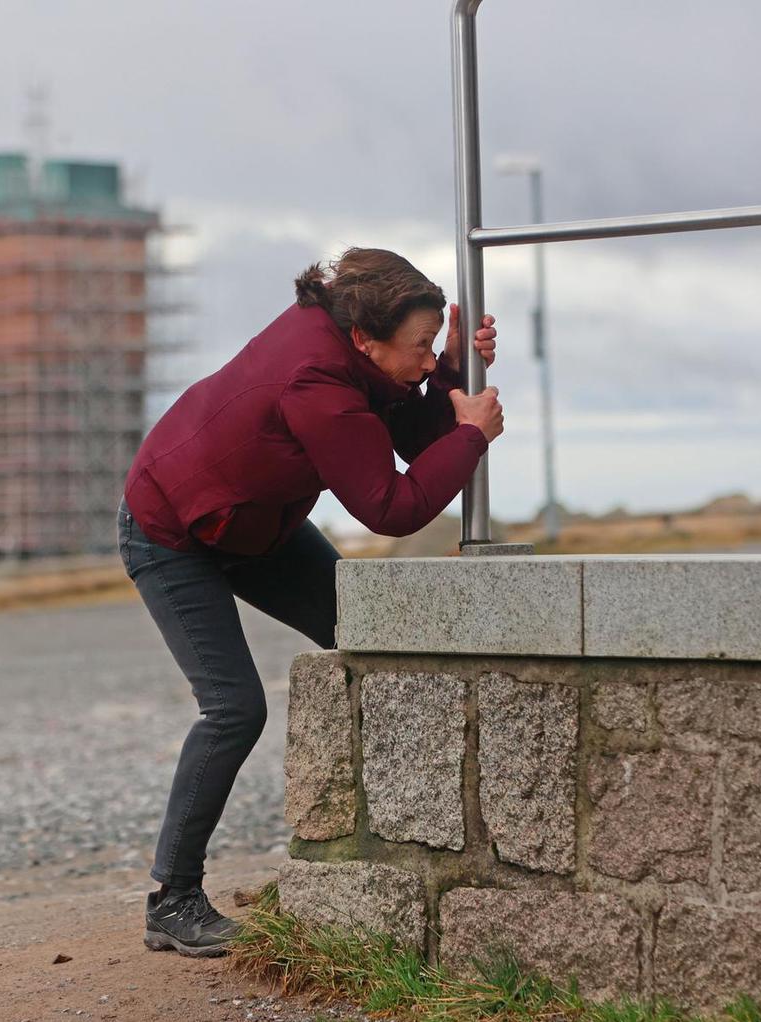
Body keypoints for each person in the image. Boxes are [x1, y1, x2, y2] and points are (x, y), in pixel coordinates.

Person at [118, 247, 502, 957]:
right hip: (172, 531)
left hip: (258, 526)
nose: (420, 361)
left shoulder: (350, 346)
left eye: (427, 343)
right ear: (366, 337)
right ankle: (171, 899)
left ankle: (384, 848)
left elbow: (404, 430)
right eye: (417, 346)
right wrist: (472, 433)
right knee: (234, 707)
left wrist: (448, 369)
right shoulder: (317, 379)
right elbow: (390, 505)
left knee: (371, 637)